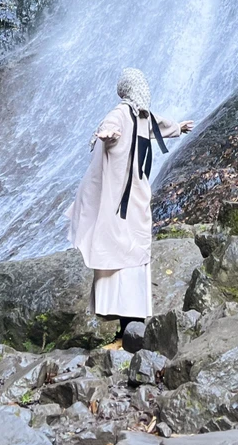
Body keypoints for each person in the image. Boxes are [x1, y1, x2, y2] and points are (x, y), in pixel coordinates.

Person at [68, 68, 194, 348]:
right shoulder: (121, 113)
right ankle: (127, 323)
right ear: (132, 90)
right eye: (141, 87)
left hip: (136, 194)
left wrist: (178, 128)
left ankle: (134, 321)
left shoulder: (141, 115)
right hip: (117, 200)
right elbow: (108, 128)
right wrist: (106, 133)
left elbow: (157, 125)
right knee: (120, 250)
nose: (145, 92)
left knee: (136, 249)